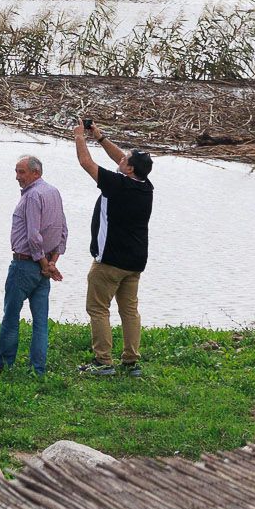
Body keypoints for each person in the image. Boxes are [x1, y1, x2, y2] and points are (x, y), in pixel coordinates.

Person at [72, 116, 154, 377]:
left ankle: (103, 362)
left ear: (129, 169)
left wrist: (79, 137)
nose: (120, 160)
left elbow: (86, 163)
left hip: (109, 262)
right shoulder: (146, 186)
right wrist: (100, 137)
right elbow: (122, 159)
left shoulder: (116, 185)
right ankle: (131, 362)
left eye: (125, 160)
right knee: (129, 310)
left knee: (97, 308)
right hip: (135, 261)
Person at [0, 153, 66, 376]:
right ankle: (38, 369)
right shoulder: (53, 192)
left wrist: (45, 263)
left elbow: (34, 236)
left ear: (36, 173)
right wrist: (52, 262)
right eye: (16, 171)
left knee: (11, 316)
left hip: (25, 265)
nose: (17, 177)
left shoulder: (33, 196)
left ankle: (4, 364)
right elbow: (62, 232)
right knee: (40, 322)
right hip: (43, 270)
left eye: (21, 172)